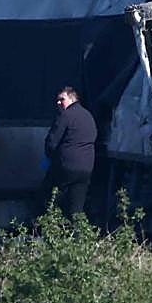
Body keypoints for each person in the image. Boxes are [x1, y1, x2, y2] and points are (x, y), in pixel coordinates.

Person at [43, 86, 98, 218]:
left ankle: (49, 225)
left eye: (62, 99)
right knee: (76, 207)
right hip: (86, 168)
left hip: (66, 166)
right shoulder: (88, 116)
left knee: (48, 198)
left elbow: (52, 142)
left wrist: (49, 159)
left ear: (72, 99)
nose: (58, 103)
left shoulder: (65, 116)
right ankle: (77, 229)